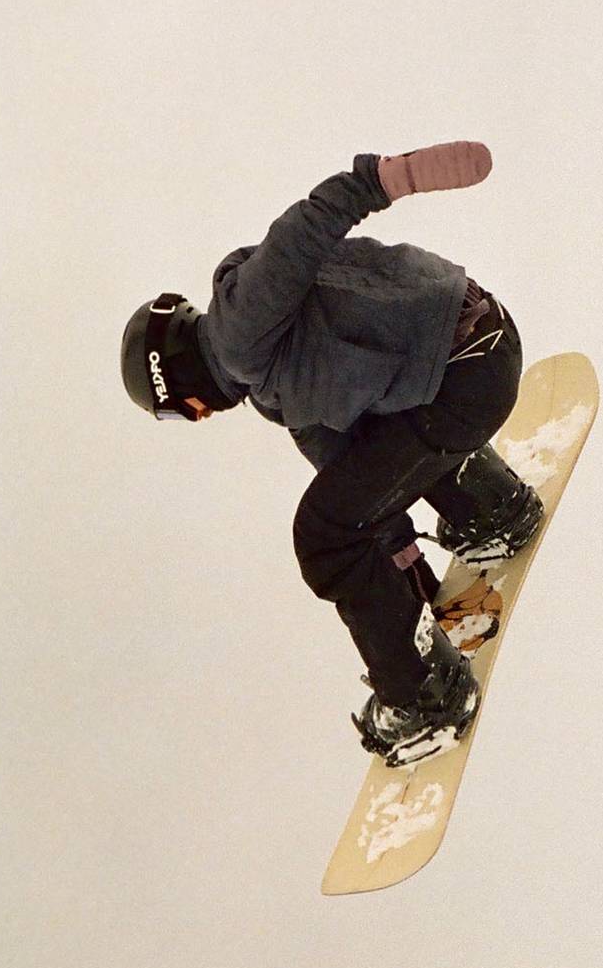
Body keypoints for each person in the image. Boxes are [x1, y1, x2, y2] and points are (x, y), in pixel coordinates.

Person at [119, 141, 543, 767]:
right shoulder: (275, 383)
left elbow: (301, 233)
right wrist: (409, 578)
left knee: (319, 537)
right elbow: (357, 475)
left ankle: (424, 697)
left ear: (177, 374)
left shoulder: (239, 330)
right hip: (476, 355)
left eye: (188, 408)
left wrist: (384, 180)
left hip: (464, 373)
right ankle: (491, 509)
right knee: (354, 489)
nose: (203, 415)